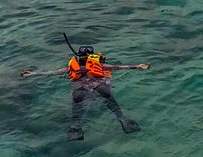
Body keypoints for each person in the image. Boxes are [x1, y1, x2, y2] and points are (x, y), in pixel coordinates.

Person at [20, 44, 149, 140]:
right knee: (110, 100)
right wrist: (138, 66)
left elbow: (51, 73)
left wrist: (32, 74)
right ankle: (123, 120)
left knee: (76, 106)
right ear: (93, 57)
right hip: (100, 86)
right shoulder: (100, 65)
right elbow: (119, 67)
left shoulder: (70, 67)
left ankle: (76, 128)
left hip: (80, 89)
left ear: (78, 57)